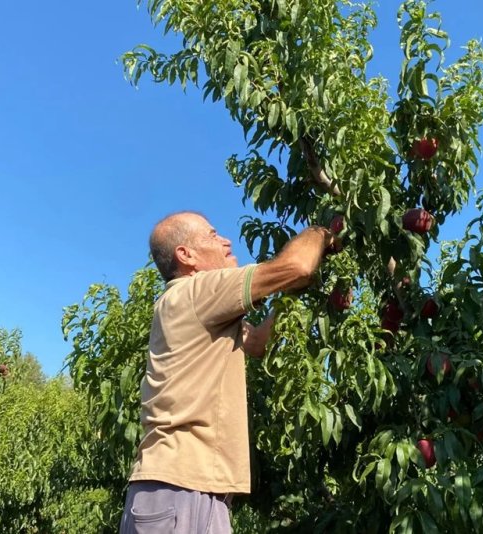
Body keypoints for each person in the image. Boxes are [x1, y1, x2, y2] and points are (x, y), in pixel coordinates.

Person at [119, 211, 334, 534]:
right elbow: (297, 265)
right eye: (212, 235)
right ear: (186, 255)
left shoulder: (197, 310)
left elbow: (258, 343)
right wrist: (321, 232)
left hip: (190, 489)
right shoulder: (196, 291)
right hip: (179, 487)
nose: (226, 240)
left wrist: (289, 292)